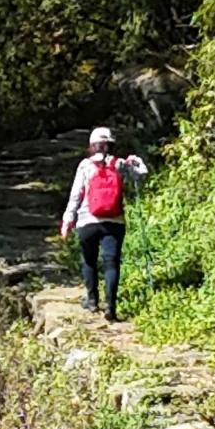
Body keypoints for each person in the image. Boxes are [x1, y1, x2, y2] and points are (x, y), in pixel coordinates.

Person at [60, 126, 148, 322]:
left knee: (89, 261)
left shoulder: (85, 165)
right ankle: (111, 308)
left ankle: (92, 301)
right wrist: (137, 161)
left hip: (87, 222)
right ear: (110, 145)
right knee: (112, 264)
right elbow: (141, 174)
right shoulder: (119, 164)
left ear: (92, 146)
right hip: (114, 222)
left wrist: (67, 220)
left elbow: (76, 195)